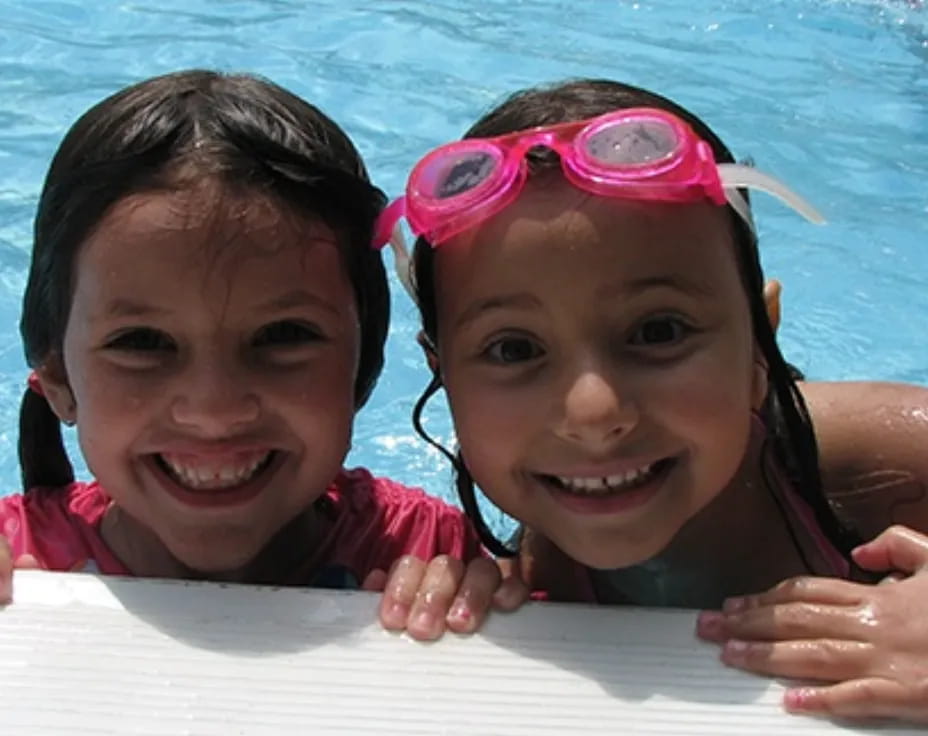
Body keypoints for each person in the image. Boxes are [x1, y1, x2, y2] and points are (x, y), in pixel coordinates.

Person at [375, 78, 928, 722]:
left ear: (759, 343)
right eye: (513, 350)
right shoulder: (546, 551)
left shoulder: (879, 456)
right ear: (442, 375)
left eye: (658, 332)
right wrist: (455, 590)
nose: (594, 413)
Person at [0, 69, 523, 640]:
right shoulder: (16, 559)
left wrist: (483, 599)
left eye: (282, 336)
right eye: (142, 343)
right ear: (55, 373)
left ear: (364, 361)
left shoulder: (426, 554)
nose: (214, 410)